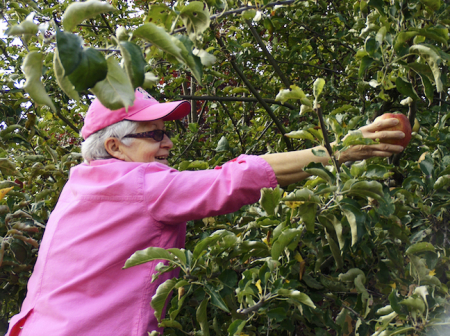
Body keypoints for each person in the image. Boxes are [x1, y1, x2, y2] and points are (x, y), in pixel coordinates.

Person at [6, 88, 405, 336]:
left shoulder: (80, 186)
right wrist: (340, 152)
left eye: (167, 132)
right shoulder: (139, 185)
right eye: (155, 134)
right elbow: (231, 180)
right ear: (115, 147)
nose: (166, 144)